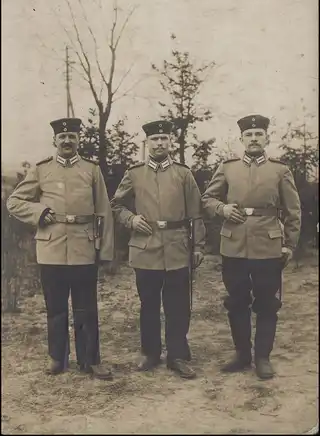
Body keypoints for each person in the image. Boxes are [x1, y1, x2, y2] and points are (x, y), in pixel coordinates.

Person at [6, 117, 114, 379]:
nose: (67, 141)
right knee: (55, 307)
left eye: (72, 137)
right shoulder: (42, 170)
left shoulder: (91, 170)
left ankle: (90, 360)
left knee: (86, 307)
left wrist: (106, 250)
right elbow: (14, 201)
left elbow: (104, 211)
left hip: (83, 247)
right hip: (51, 248)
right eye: (62, 137)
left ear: (79, 140)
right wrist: (39, 211)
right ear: (55, 141)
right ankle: (57, 358)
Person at [202, 114, 301, 380]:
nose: (254, 139)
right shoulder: (227, 168)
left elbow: (293, 211)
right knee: (236, 301)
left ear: (267, 138)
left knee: (268, 302)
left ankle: (262, 357)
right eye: (249, 135)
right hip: (233, 244)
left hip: (268, 246)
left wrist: (289, 245)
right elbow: (208, 199)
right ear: (242, 139)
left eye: (259, 134)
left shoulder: (280, 170)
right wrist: (222, 208)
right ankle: (242, 354)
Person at [111, 120, 206, 379]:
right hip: (145, 247)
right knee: (149, 303)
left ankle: (176, 355)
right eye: (155, 139)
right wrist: (130, 220)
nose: (160, 143)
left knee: (177, 304)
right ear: (147, 143)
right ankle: (150, 352)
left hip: (177, 246)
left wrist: (198, 246)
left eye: (164, 138)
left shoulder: (183, 174)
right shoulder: (134, 173)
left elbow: (196, 213)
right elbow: (116, 205)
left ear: (170, 142)